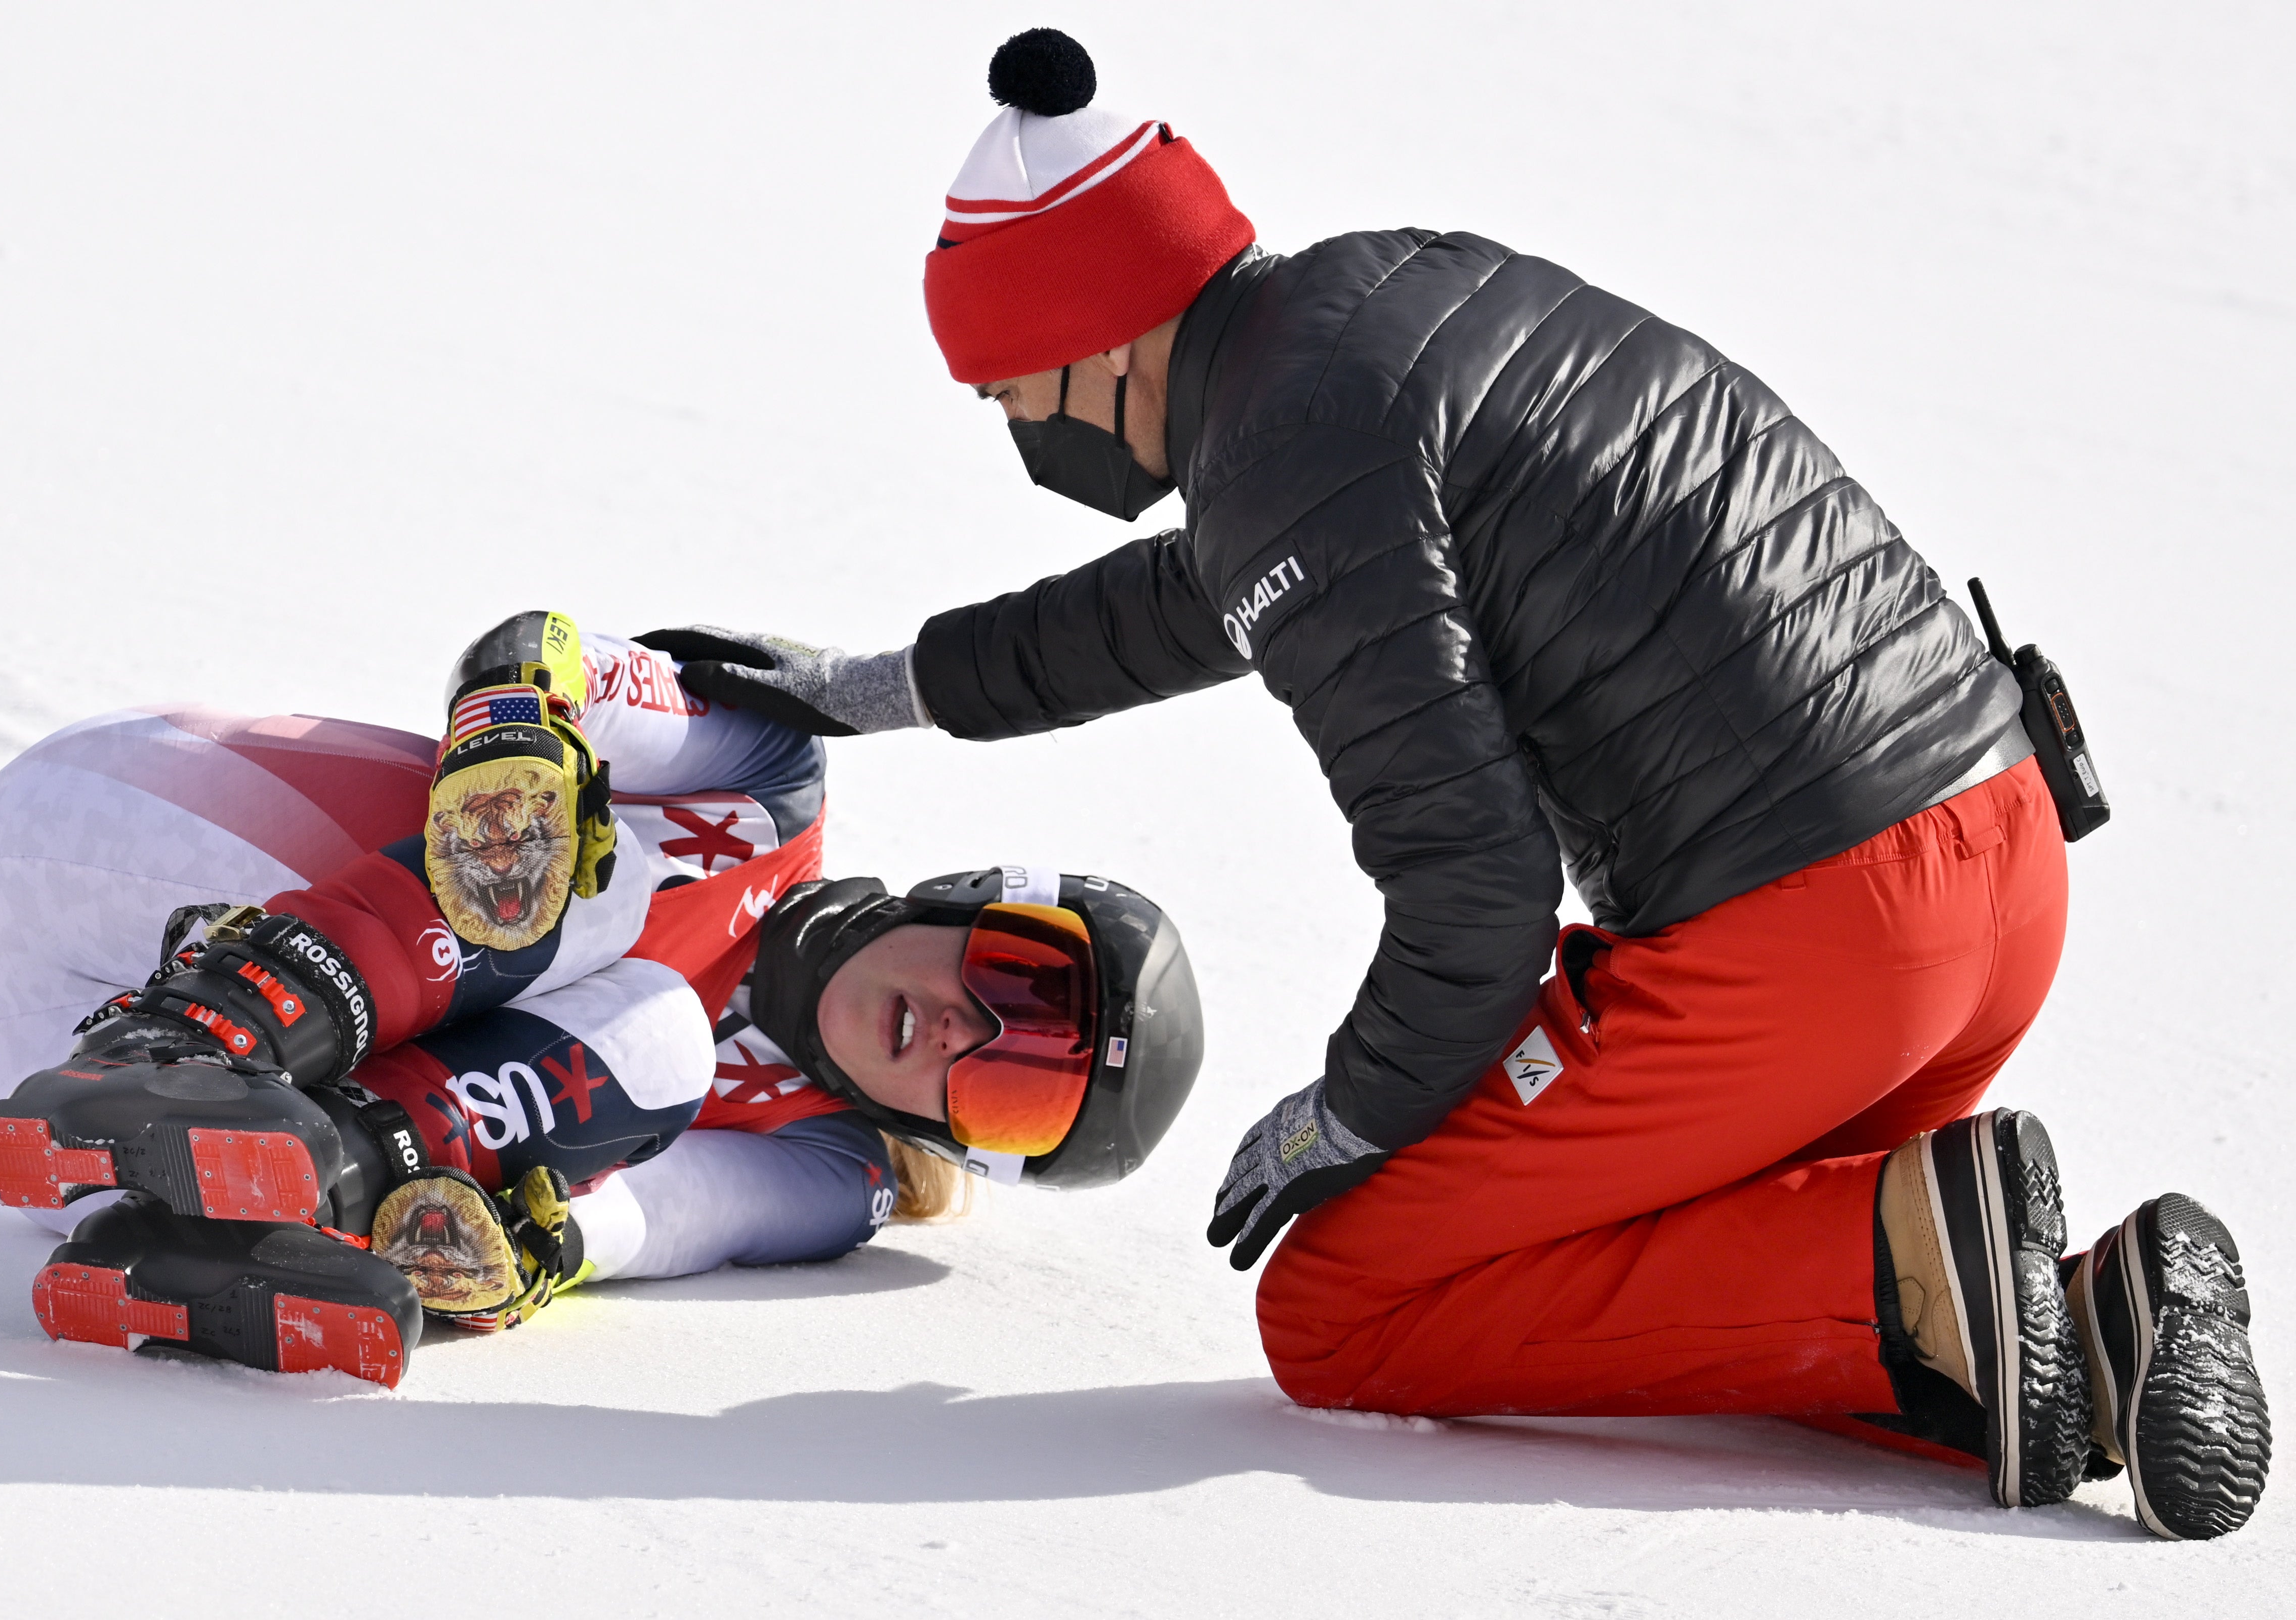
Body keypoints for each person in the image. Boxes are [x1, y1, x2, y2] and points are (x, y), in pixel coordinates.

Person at [664, 29, 2268, 1539]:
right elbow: (1192, 600)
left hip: (1817, 940)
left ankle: (1909, 1251)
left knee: (1346, 1304)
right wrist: (869, 690)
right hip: (1995, 866)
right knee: (1667, 1251)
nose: (1015, 427)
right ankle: (2060, 1320)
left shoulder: (1294, 447)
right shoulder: (1371, 311)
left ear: (1089, 332)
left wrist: (1344, 1114)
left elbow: (1477, 894)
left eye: (1009, 387)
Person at [0, 612, 1203, 1387]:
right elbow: (545, 651)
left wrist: (525, 1259)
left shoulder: (823, 1166)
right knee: (640, 957)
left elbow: (655, 1219)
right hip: (144, 825)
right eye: (1014, 977)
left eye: (1011, 1079)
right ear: (973, 900)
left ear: (957, 1138)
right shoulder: (771, 791)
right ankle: (185, 1041)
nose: (962, 1027)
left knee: (642, 1084)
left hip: (55, 1095)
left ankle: (215, 1221)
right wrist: (520, 729)